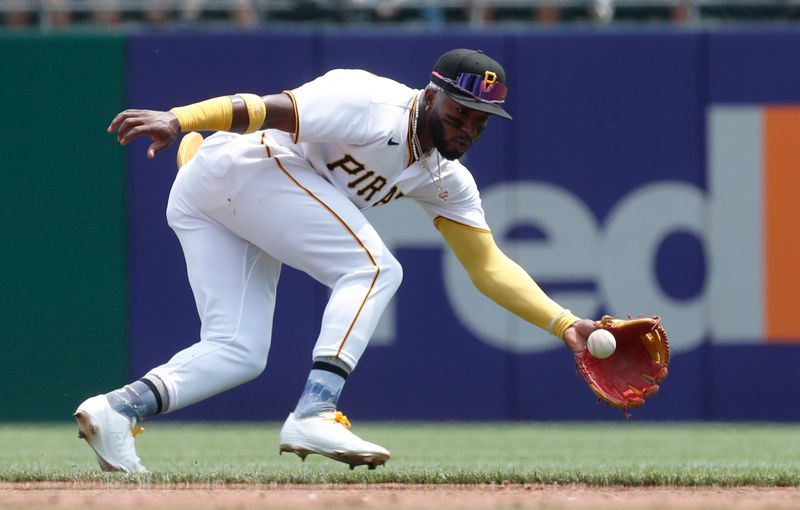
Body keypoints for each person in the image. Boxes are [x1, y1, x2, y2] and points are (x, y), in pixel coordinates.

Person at [75, 48, 596, 473]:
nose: (467, 127)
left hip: (219, 195)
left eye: (480, 120)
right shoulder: (370, 102)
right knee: (374, 269)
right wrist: (179, 118)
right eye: (460, 110)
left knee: (238, 350)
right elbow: (259, 109)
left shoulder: (445, 178)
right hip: (239, 170)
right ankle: (316, 410)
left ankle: (117, 410)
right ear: (432, 95)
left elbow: (488, 267)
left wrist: (565, 323)